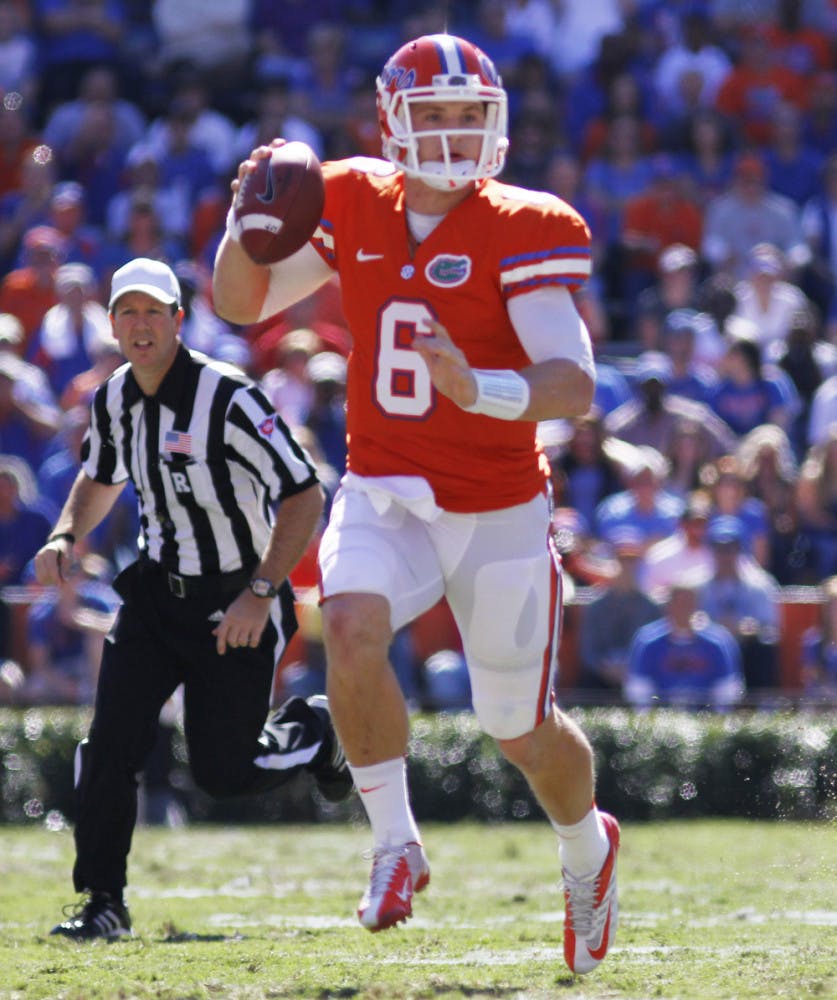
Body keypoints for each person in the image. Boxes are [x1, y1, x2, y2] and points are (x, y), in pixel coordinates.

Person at [213, 33, 620, 975]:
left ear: (498, 125)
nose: (448, 132)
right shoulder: (351, 194)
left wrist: (475, 385)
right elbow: (244, 306)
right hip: (386, 486)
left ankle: (585, 852)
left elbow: (573, 384)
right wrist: (245, 225)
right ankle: (395, 842)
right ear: (392, 119)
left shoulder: (526, 221)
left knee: (516, 726)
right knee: (347, 622)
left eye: (465, 115)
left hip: (498, 506)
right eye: (430, 114)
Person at [35, 257, 351, 941]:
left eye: (155, 312)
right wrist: (65, 533)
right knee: (109, 746)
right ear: (112, 323)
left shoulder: (229, 396)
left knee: (224, 772)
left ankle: (316, 730)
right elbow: (100, 474)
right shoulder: (114, 395)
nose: (141, 325)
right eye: (128, 313)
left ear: (180, 321)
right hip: (155, 594)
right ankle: (103, 902)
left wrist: (260, 593)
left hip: (236, 598)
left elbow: (304, 492)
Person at [625, 578, 745, 711]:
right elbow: (639, 693)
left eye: (689, 603)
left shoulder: (718, 642)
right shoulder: (648, 641)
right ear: (668, 605)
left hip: (705, 719)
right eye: (679, 602)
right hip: (661, 719)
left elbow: (727, 693)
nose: (684, 608)